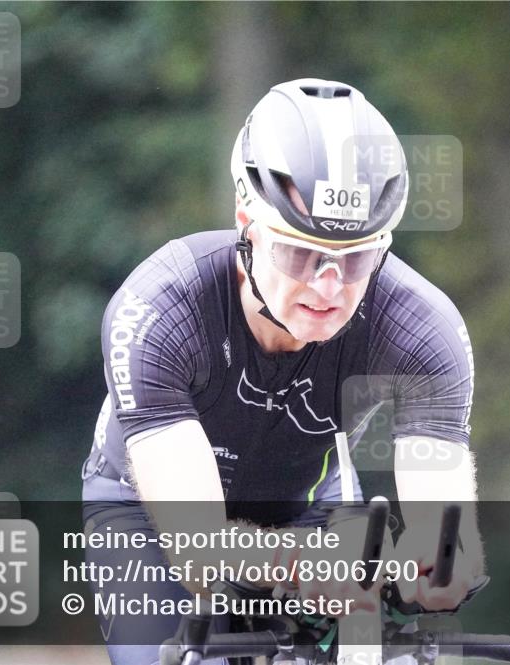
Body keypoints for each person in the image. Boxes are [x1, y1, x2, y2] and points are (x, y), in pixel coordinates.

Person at [81, 78, 482, 665]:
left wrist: (427, 569)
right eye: (300, 252)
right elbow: (199, 554)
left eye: (357, 258)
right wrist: (299, 566)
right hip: (144, 508)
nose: (328, 285)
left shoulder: (423, 330)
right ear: (247, 218)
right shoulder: (160, 309)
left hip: (307, 497)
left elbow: (444, 544)